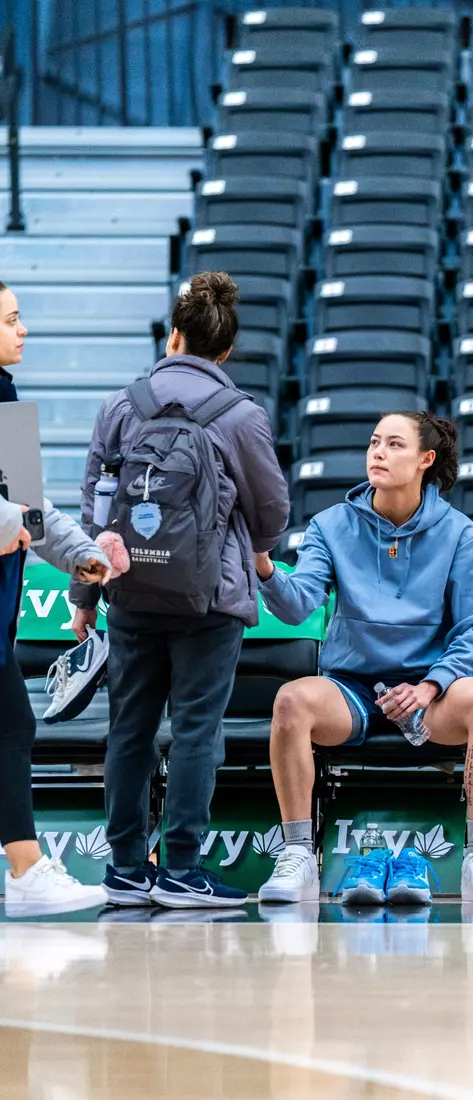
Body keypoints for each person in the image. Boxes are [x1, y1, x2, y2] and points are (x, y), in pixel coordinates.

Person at [70, 272, 290, 909]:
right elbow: (272, 511)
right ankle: (183, 871)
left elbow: (94, 510)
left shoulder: (120, 405)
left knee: (128, 729)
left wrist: (86, 600)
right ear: (224, 350)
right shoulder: (239, 414)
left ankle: (124, 871)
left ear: (174, 335)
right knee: (196, 730)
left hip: (130, 592)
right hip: (210, 599)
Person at [254, 411, 473, 907]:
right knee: (291, 702)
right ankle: (297, 855)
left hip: (428, 693)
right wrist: (265, 567)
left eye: (395, 444)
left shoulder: (460, 534)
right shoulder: (330, 526)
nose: (378, 452)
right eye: (374, 442)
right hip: (352, 687)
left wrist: (431, 685)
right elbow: (296, 605)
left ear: (425, 460)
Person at [0, 281, 111, 915]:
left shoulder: (6, 399)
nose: (24, 331)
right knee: (11, 723)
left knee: (10, 724)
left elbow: (29, 513)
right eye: (13, 320)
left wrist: (82, 554)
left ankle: (25, 870)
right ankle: (25, 871)